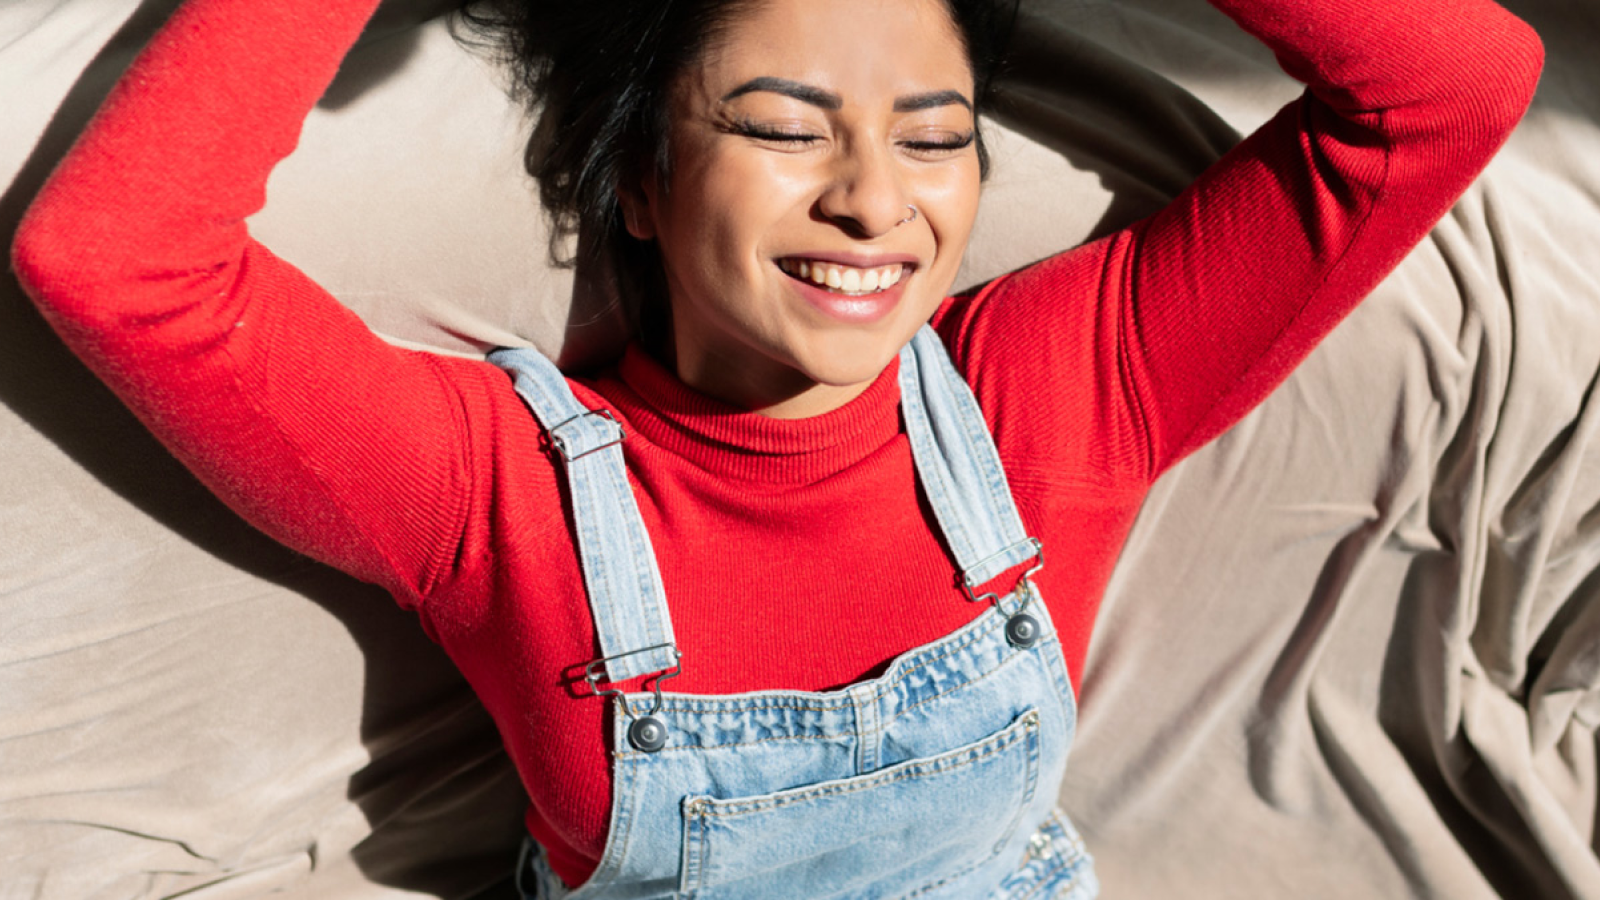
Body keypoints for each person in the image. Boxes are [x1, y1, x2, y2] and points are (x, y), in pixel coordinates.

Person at [9, 0, 1542, 896]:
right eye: (785, 125)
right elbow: (118, 257)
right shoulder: (497, 490)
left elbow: (1447, 88)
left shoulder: (1055, 388)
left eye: (934, 134)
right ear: (639, 188)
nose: (879, 202)